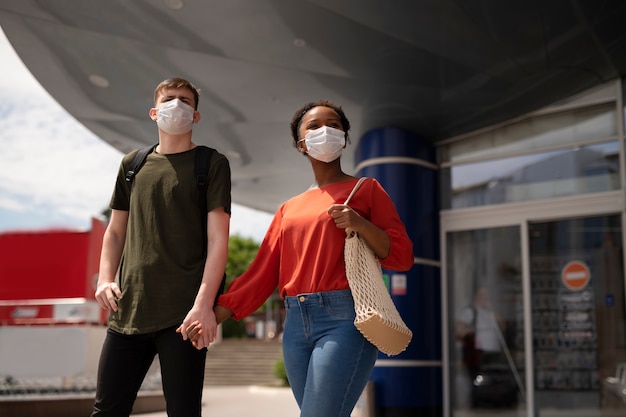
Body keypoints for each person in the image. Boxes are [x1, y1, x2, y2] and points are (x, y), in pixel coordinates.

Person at [182, 100, 414, 417]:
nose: (325, 131)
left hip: (345, 319)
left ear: (345, 137)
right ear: (300, 144)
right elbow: (261, 275)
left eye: (333, 125)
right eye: (314, 126)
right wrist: (211, 318)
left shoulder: (367, 189)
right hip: (295, 325)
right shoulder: (288, 208)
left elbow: (401, 256)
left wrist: (360, 224)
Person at [92, 77, 231, 417]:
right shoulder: (132, 165)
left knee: (183, 412)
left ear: (196, 116)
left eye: (186, 101)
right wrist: (104, 279)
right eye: (170, 99)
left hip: (184, 316)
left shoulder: (210, 164)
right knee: (106, 410)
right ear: (154, 112)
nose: (177, 106)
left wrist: (203, 306)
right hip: (129, 310)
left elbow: (218, 241)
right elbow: (114, 233)